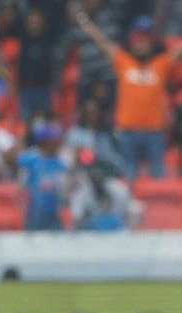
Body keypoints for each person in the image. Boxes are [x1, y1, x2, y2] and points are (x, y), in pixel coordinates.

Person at [75, 10, 182, 179]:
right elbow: (102, 42)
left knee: (158, 177)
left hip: (154, 131)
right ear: (132, 44)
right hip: (127, 131)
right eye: (138, 42)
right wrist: (86, 25)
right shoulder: (124, 62)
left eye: (145, 42)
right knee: (128, 177)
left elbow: (178, 51)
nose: (142, 45)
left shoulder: (161, 64)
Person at [18, 123, 69, 231]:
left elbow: (65, 186)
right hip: (34, 212)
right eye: (54, 141)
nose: (57, 144)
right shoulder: (30, 159)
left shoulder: (60, 162)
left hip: (54, 212)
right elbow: (21, 184)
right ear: (46, 142)